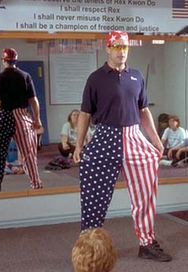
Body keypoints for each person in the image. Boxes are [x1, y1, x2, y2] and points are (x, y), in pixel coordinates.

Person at [73, 31, 172, 262]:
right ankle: (88, 246)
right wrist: (79, 145)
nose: (121, 51)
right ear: (107, 48)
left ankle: (146, 242)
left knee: (146, 192)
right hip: (105, 136)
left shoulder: (136, 76)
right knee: (93, 194)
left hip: (134, 136)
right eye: (116, 47)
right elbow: (85, 113)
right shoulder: (95, 78)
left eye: (125, 47)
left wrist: (156, 142)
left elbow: (144, 111)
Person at [0, 48, 43, 193]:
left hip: (4, 115)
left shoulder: (0, 77)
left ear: (4, 60)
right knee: (29, 153)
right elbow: (33, 100)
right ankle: (36, 184)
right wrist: (37, 119)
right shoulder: (25, 75)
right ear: (16, 61)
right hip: (22, 116)